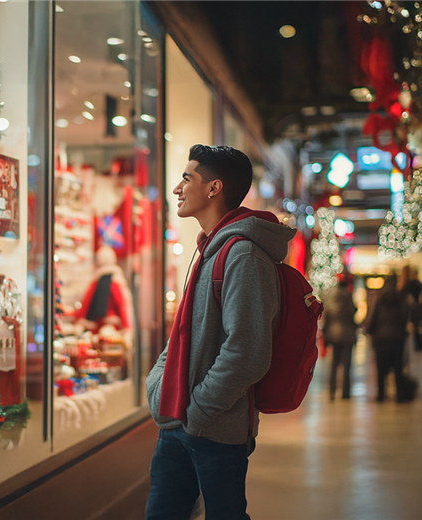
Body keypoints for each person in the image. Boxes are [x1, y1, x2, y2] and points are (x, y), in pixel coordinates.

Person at [145, 145, 295, 520]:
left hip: (212, 429)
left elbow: (248, 350)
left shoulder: (243, 254)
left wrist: (199, 412)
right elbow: (182, 333)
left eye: (186, 178)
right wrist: (159, 388)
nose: (177, 189)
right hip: (178, 422)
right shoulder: (209, 247)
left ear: (214, 188)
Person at [366, 274, 410, 402]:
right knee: (398, 367)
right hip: (397, 338)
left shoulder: (378, 299)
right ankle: (399, 395)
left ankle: (381, 394)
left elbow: (372, 318)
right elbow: (404, 316)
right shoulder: (401, 298)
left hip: (381, 338)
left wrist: (371, 331)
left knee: (380, 368)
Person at [323, 277, 357, 401]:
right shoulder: (349, 298)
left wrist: (325, 335)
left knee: (334, 365)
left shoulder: (331, 299)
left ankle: (332, 391)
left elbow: (327, 318)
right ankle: (345, 392)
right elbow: (353, 314)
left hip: (334, 334)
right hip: (348, 335)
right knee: (347, 365)